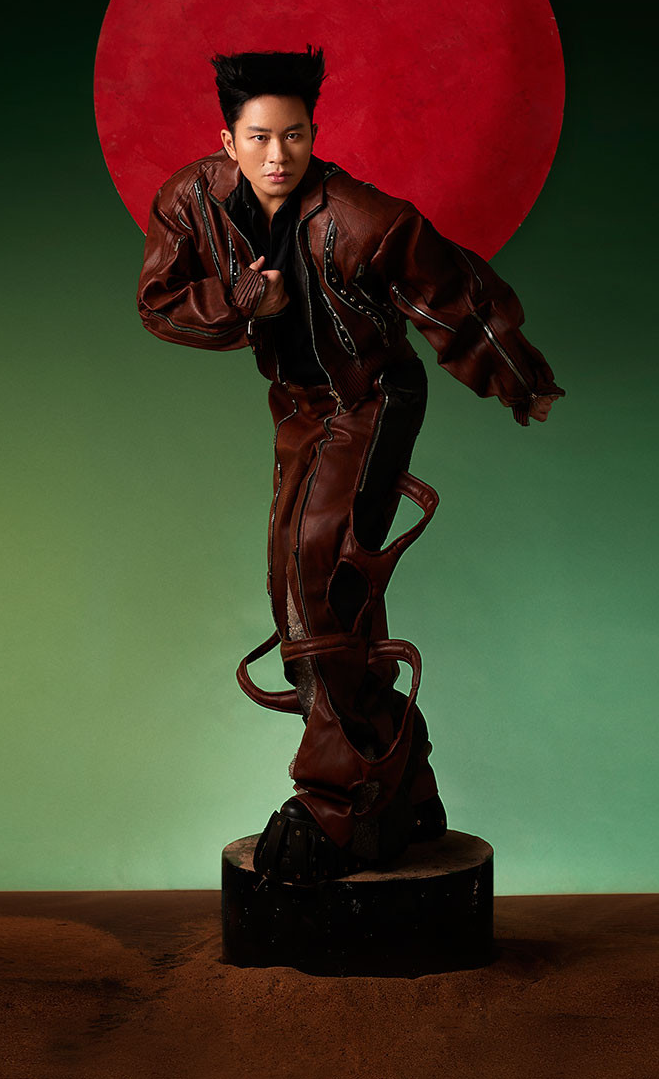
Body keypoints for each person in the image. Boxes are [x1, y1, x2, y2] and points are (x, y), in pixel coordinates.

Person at [137, 47, 564, 884]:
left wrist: (518, 380)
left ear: (313, 133)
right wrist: (240, 302)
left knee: (320, 577)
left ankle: (338, 796)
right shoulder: (191, 200)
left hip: (372, 400)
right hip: (298, 406)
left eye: (294, 136)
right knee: (297, 584)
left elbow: (452, 294)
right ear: (227, 141)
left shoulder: (362, 218)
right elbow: (159, 306)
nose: (278, 156)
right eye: (259, 138)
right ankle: (402, 776)